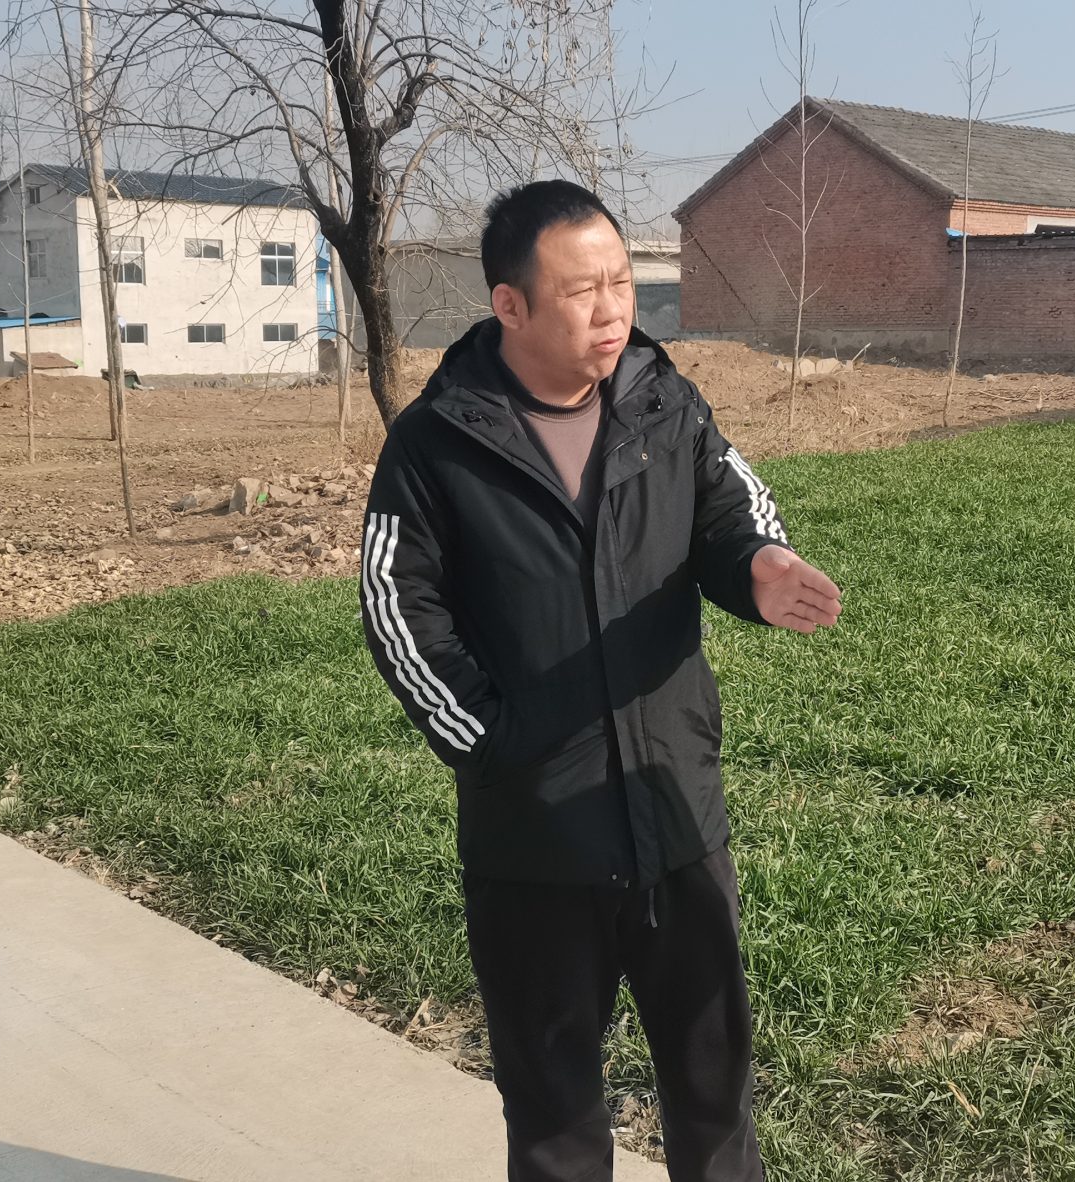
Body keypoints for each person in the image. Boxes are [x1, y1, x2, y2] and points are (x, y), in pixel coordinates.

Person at [359, 179, 840, 1182]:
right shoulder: (437, 443)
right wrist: (495, 745)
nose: (613, 309)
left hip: (675, 815)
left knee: (714, 1095)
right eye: (582, 291)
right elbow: (399, 606)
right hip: (535, 842)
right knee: (555, 1119)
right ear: (510, 305)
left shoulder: (664, 401)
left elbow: (731, 511)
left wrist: (759, 564)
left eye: (621, 281)